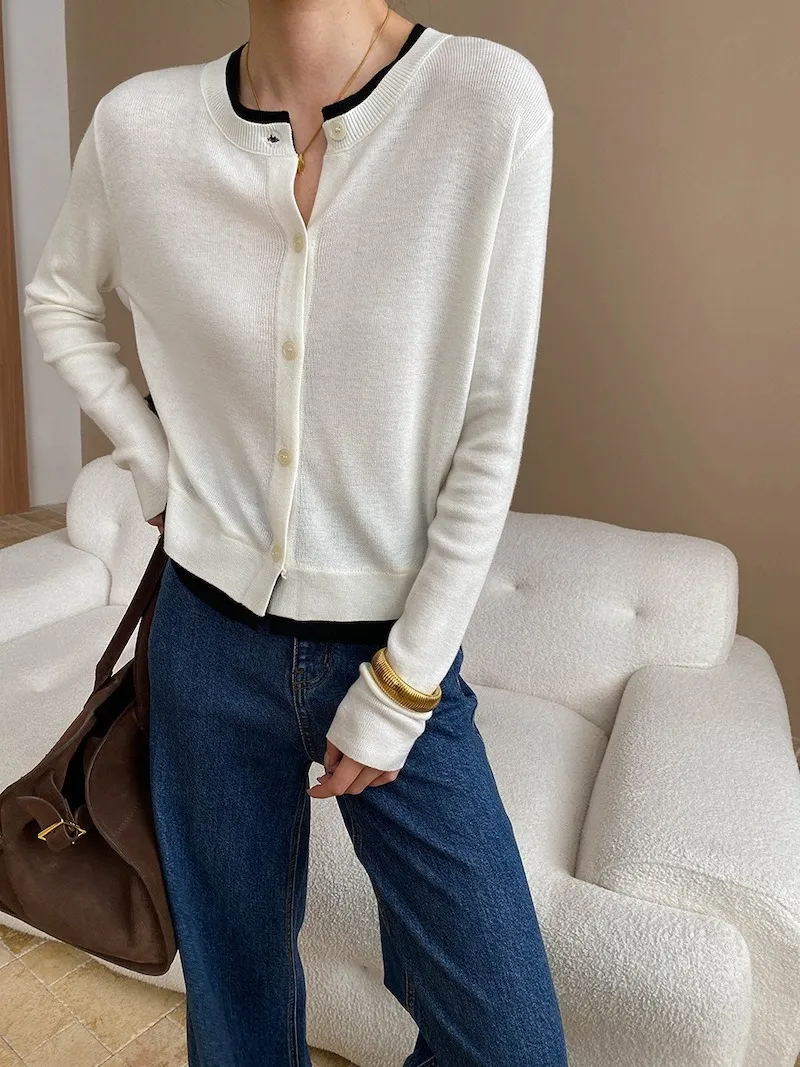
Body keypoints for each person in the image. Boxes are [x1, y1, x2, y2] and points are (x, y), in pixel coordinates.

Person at [23, 2, 567, 1064]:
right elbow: (58, 299)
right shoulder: (140, 126)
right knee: (235, 1010)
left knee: (509, 1042)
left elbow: (490, 419)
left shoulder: (484, 101)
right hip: (201, 639)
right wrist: (153, 460)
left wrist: (405, 683)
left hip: (390, 651)